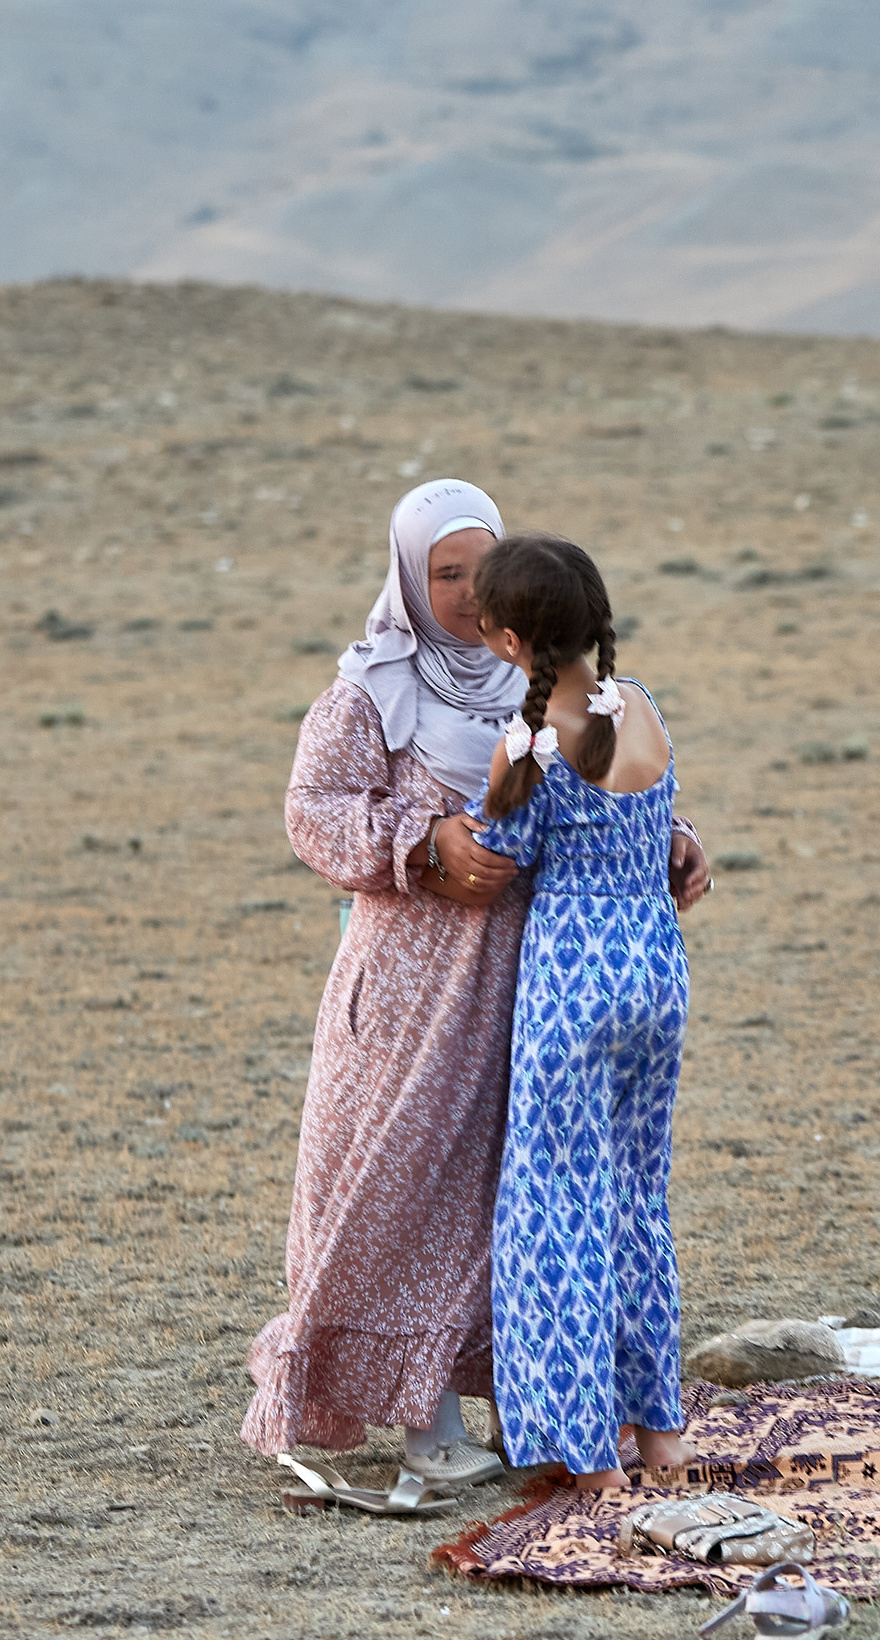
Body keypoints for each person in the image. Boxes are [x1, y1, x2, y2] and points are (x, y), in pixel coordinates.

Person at [240, 483, 709, 1488]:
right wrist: (422, 842)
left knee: (522, 1195)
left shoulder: (535, 700)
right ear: (408, 576)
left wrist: (672, 846)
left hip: (537, 980)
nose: (460, 593)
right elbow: (312, 812)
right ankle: (429, 1423)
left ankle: (539, 1418)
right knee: (405, 1185)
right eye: (442, 573)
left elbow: (583, 804)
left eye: (476, 572)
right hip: (416, 986)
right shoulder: (367, 692)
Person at [467, 533, 693, 1492]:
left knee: (557, 1208)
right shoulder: (639, 706)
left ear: (513, 640)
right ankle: (661, 1438)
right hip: (656, 975)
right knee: (638, 1199)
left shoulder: (529, 744)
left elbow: (497, 851)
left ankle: (584, 1451)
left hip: (572, 984)